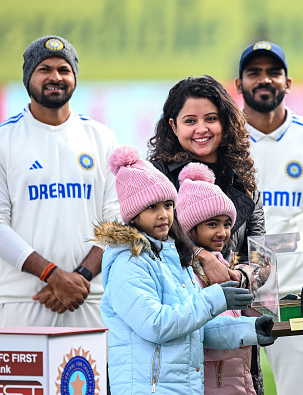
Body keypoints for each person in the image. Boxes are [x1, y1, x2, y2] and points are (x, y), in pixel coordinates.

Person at [95, 145, 275, 394]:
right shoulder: (128, 263)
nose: (164, 215)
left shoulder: (174, 257)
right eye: (152, 207)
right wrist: (216, 298)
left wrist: (249, 329)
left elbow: (195, 327)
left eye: (168, 205)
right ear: (133, 214)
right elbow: (157, 325)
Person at [147, 75, 267, 393]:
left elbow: (260, 245)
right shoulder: (153, 180)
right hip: (176, 330)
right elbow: (143, 244)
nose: (202, 129)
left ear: (225, 122)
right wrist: (200, 257)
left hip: (233, 334)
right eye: (191, 121)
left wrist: (245, 273)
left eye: (211, 119)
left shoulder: (242, 177)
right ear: (173, 125)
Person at [234, 40, 303, 395]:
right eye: (254, 73)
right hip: (232, 298)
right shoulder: (222, 140)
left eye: (273, 72)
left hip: (297, 298)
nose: (264, 80)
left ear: (287, 82)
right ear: (239, 84)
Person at [0, 35, 119, 327]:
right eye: (45, 69)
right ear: (28, 77)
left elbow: (116, 220)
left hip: (88, 298)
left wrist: (80, 277)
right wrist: (53, 275)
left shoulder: (101, 137)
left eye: (64, 70)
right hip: (22, 301)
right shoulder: (4, 139)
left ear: (74, 78)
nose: (55, 77)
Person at [177, 161, 266, 395]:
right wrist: (250, 329)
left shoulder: (223, 262)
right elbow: (202, 332)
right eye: (212, 224)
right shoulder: (185, 272)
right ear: (190, 228)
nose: (223, 232)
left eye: (227, 224)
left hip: (239, 380)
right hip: (210, 383)